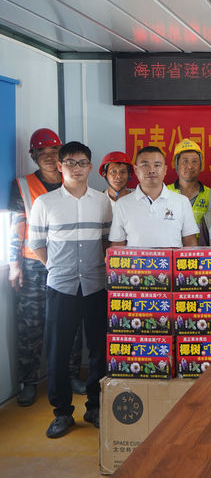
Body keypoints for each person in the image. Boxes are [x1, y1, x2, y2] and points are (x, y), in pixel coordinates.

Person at [27, 141, 112, 438]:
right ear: (60, 166)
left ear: (91, 167)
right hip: (61, 287)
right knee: (58, 351)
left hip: (96, 284)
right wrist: (57, 268)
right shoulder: (45, 203)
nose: (77, 168)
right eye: (70, 163)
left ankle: (95, 406)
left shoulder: (102, 202)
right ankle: (62, 412)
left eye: (82, 162)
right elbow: (36, 244)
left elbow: (107, 241)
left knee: (99, 350)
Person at [8, 128, 84, 406]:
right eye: (43, 153)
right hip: (33, 266)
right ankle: (28, 381)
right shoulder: (23, 185)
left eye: (55, 152)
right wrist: (14, 264)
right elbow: (17, 227)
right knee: (31, 323)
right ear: (33, 156)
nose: (50, 158)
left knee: (71, 323)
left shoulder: (73, 180)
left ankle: (71, 375)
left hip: (69, 264)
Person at [109, 146, 199, 247]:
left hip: (171, 258)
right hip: (136, 258)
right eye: (145, 165)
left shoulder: (182, 202)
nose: (151, 170)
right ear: (136, 170)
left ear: (165, 170)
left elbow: (190, 240)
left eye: (157, 165)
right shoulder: (122, 204)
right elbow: (118, 244)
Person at [166, 139, 211, 245]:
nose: (190, 166)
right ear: (176, 165)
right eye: (185, 161)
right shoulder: (165, 193)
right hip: (172, 251)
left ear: (201, 165)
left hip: (203, 252)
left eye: (194, 161)